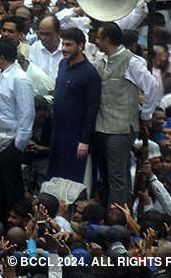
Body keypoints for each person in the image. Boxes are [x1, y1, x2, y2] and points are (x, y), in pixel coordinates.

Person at [93, 22, 160, 207]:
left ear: (107, 39)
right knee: (106, 175)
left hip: (121, 128)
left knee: (117, 176)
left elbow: (152, 86)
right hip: (101, 126)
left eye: (99, 38)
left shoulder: (131, 61)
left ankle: (119, 218)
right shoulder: (101, 59)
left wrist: (146, 115)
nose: (96, 41)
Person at [0, 36, 34, 221]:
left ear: (1, 56)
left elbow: (26, 116)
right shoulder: (0, 75)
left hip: (9, 145)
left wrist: (17, 146)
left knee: (12, 192)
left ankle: (15, 230)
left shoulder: (20, 79)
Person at [48, 28, 101, 191]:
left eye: (68, 45)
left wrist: (84, 141)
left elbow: (92, 109)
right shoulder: (62, 64)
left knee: (71, 183)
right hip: (57, 132)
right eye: (63, 44)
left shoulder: (90, 74)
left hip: (76, 136)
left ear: (80, 46)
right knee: (54, 179)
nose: (64, 48)